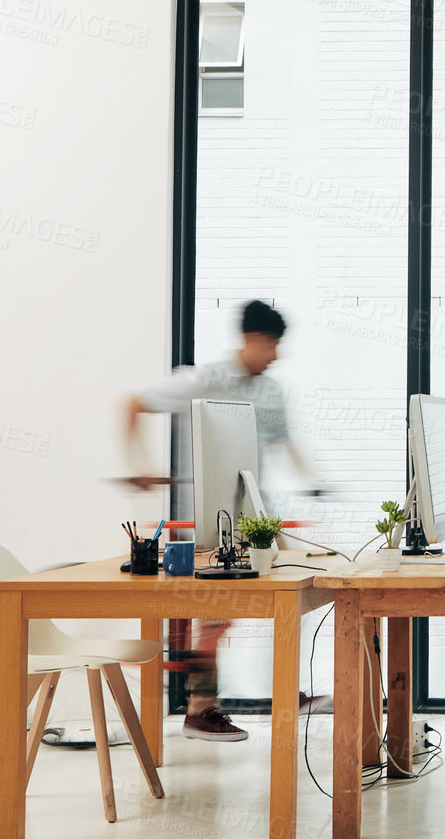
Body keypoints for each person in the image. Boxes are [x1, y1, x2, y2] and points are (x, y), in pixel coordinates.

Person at [125, 299, 320, 742]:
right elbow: (132, 404)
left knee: (308, 582)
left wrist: (315, 480)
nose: (276, 355)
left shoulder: (270, 391)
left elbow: (284, 441)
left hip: (257, 517)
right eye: (272, 345)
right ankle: (201, 709)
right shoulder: (205, 379)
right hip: (209, 522)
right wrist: (139, 463)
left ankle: (289, 690)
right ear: (251, 339)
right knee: (216, 613)